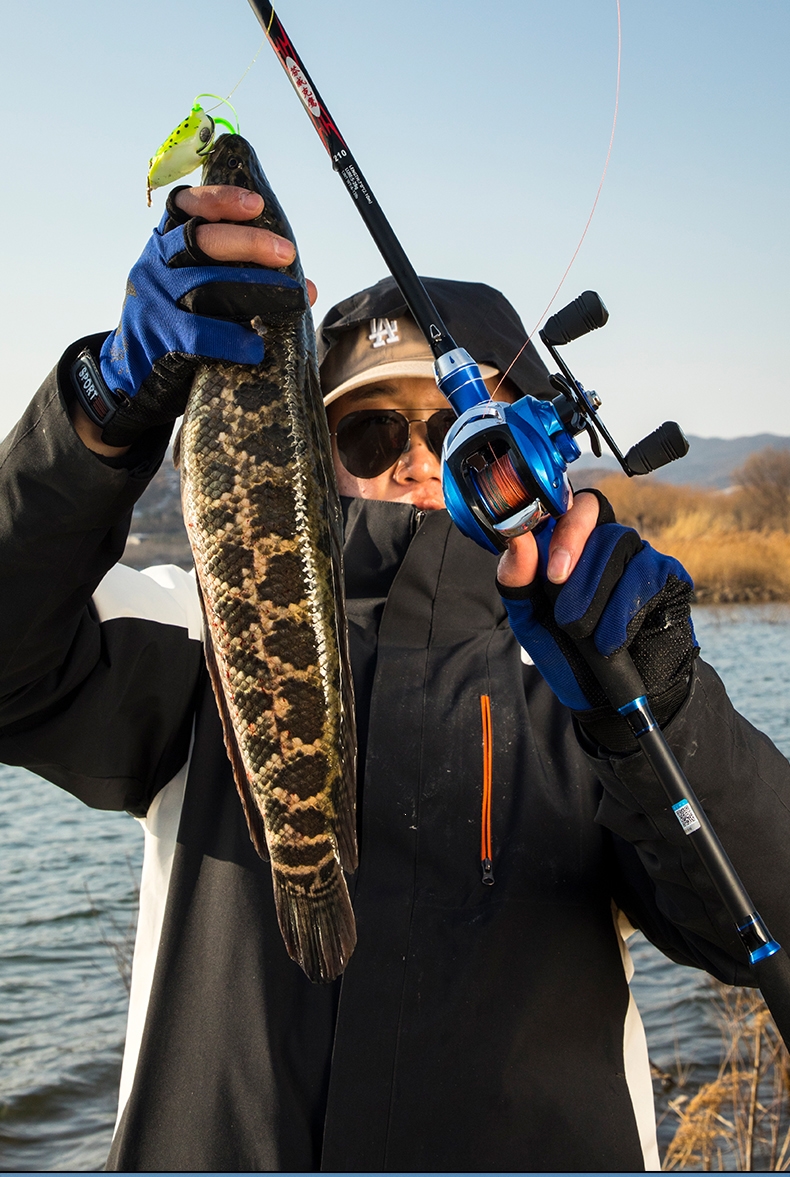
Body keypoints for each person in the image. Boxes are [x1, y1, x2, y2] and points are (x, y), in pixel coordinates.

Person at [1, 182, 789, 1174]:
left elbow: (757, 924)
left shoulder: (597, 687)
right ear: (315, 453)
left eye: (468, 437)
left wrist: (664, 707)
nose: (420, 463)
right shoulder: (200, 624)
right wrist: (95, 422)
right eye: (372, 433)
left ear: (546, 450)